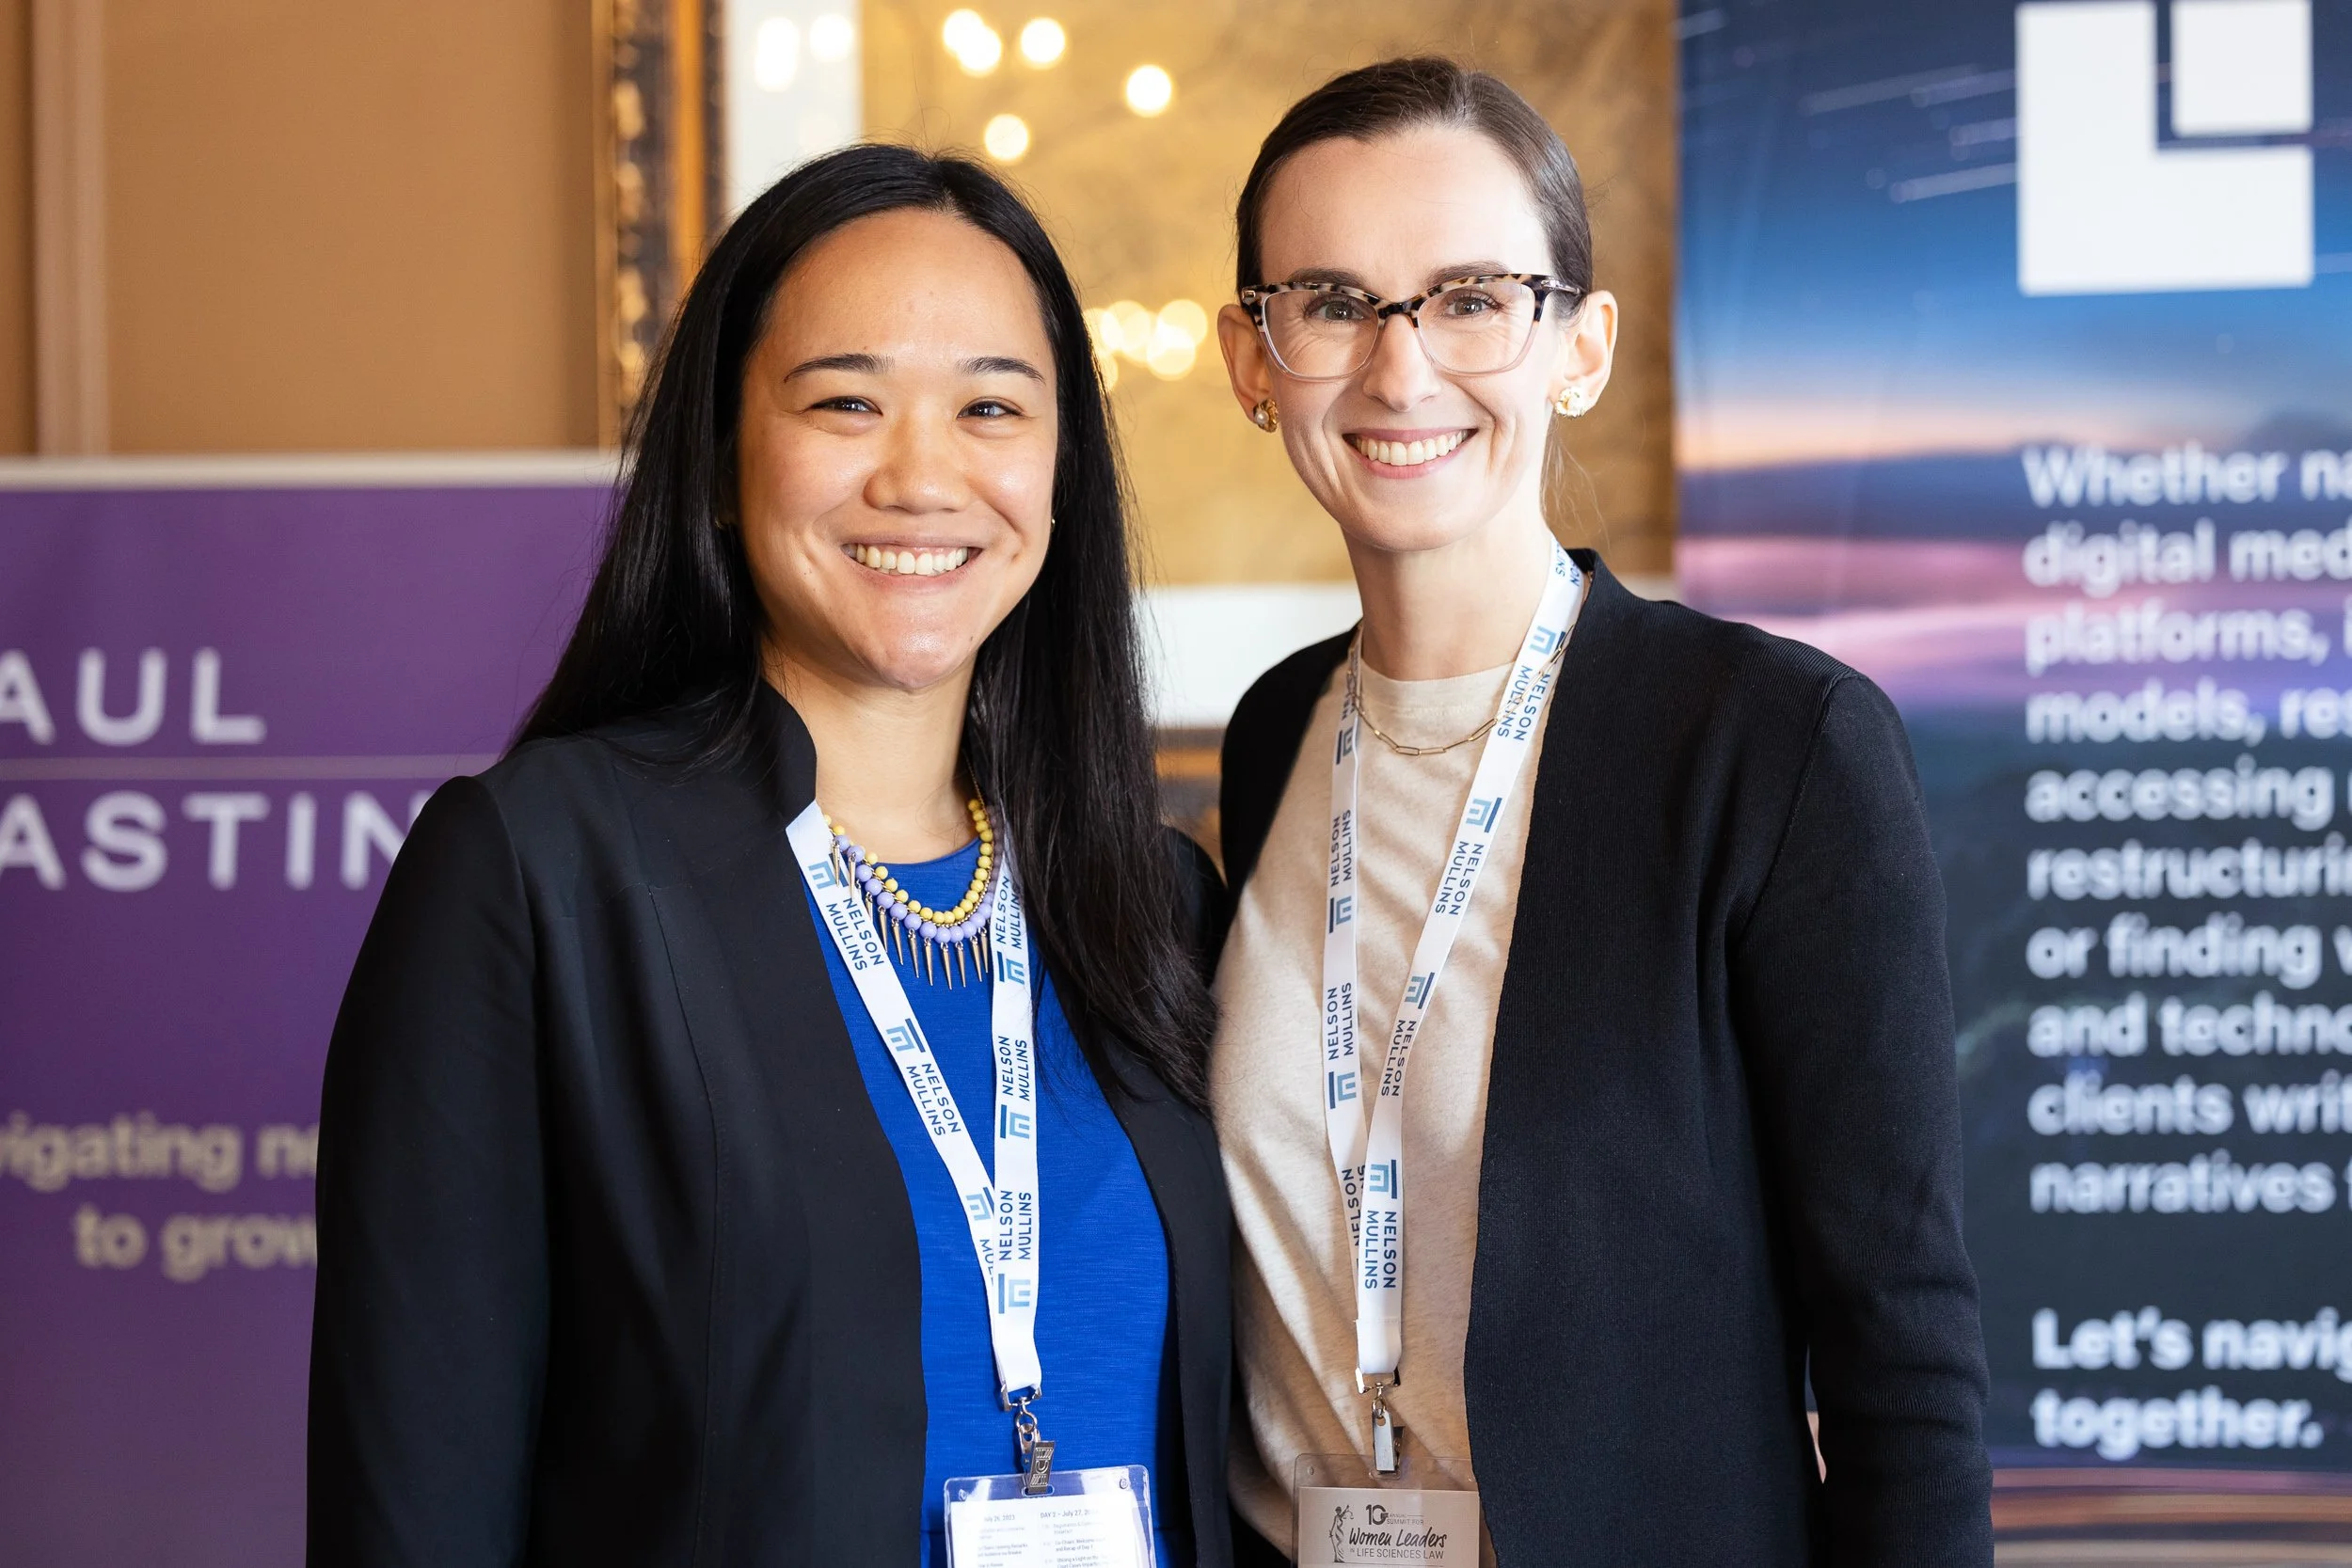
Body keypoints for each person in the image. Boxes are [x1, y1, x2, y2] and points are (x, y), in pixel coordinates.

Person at [308, 144, 1233, 1568]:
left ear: (1060, 473)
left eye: (993, 405)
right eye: (847, 402)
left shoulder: (1157, 904)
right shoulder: (540, 874)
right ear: (728, 463)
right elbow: (415, 1507)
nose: (924, 475)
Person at [1208, 57, 1991, 1565]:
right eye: (1331, 301)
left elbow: (1905, 1368)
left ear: (1580, 344)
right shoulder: (1269, 741)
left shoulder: (1776, 745)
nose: (1400, 368)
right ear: (1254, 361)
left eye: (1470, 297)